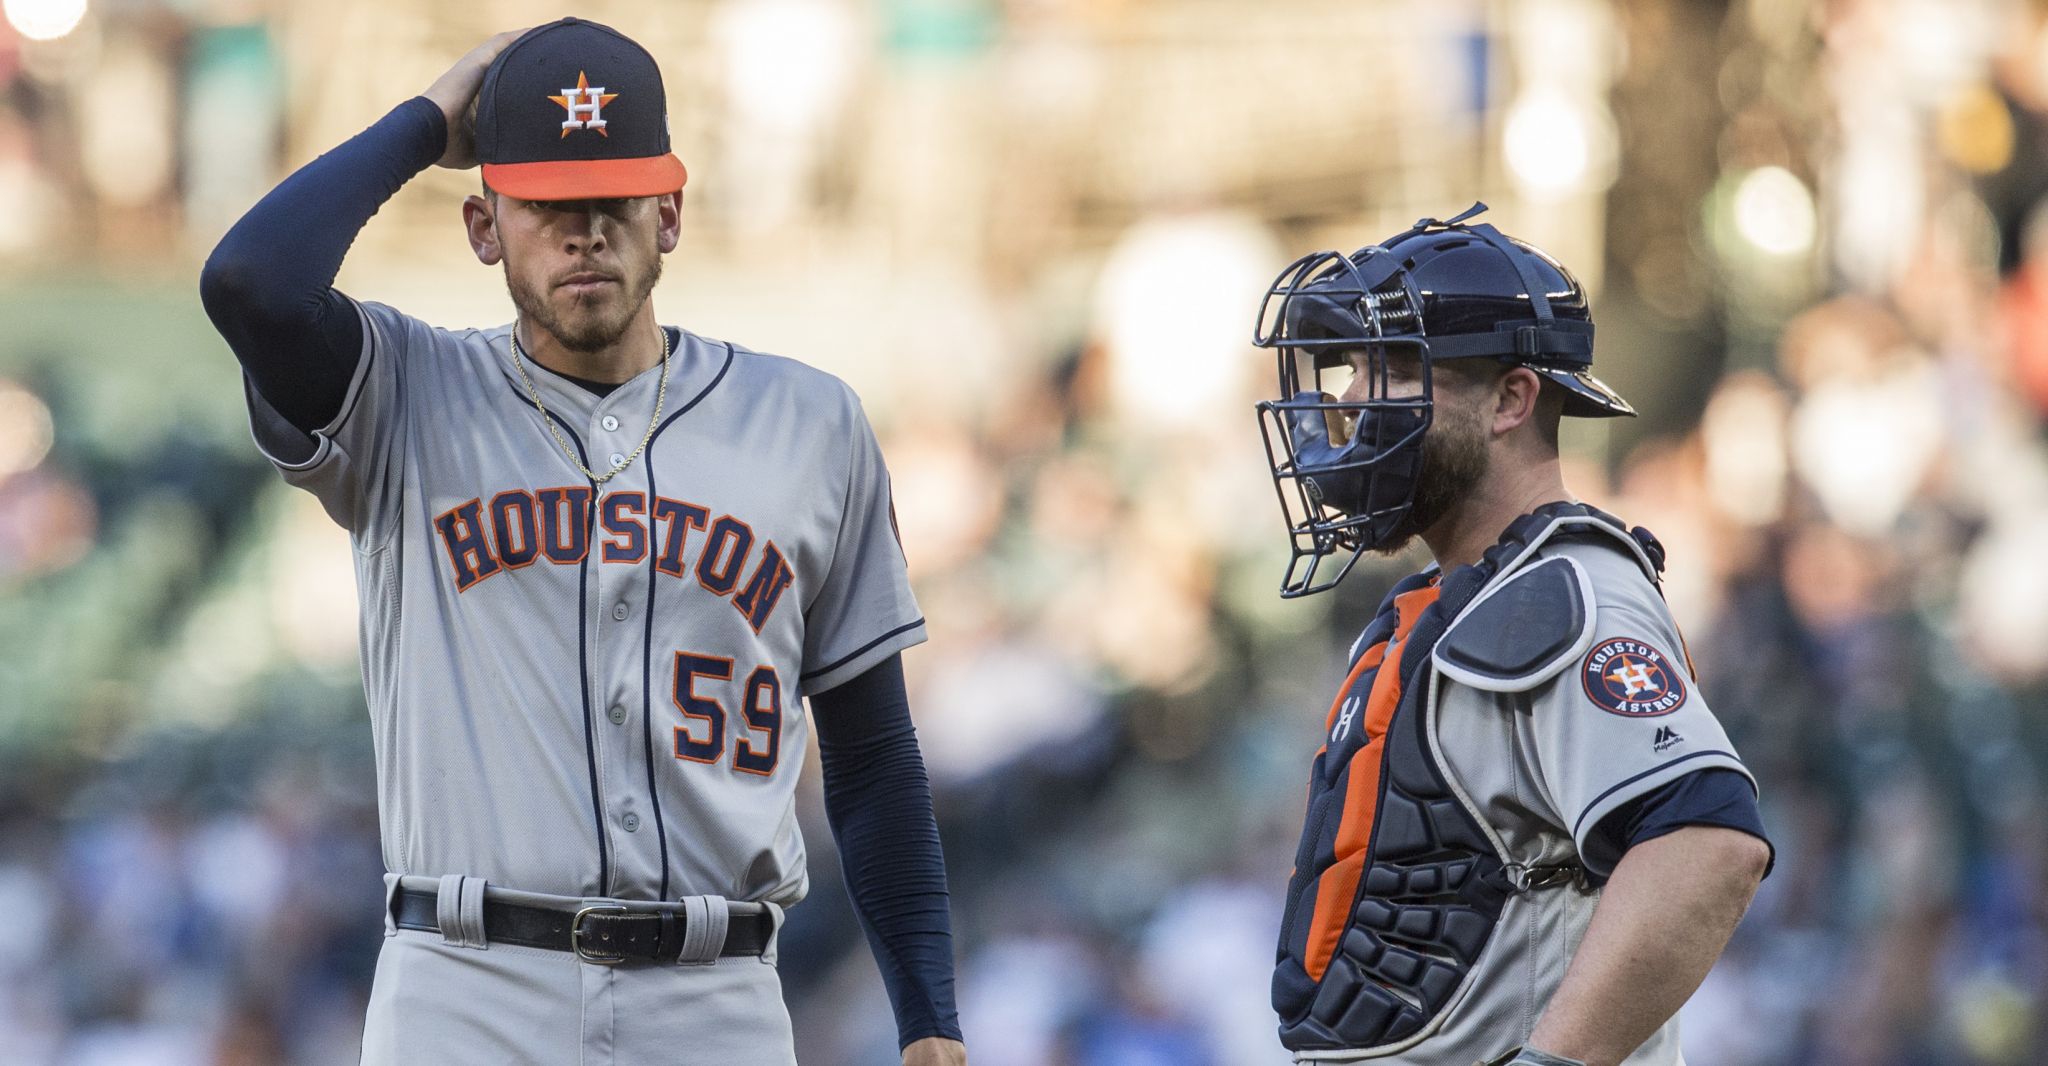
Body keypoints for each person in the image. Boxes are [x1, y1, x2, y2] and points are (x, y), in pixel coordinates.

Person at [198, 20, 966, 1066]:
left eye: (613, 197)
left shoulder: (811, 423)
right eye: (549, 203)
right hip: (464, 989)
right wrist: (429, 119)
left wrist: (927, 1018)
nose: (584, 230)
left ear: (671, 211)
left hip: (716, 992)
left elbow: (872, 755)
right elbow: (251, 281)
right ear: (483, 225)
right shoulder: (401, 391)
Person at [1253, 205, 1773, 1066]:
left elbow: (1707, 848)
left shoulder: (1564, 590)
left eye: (1389, 370)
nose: (1347, 402)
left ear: (1510, 399)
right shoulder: (1446, 604)